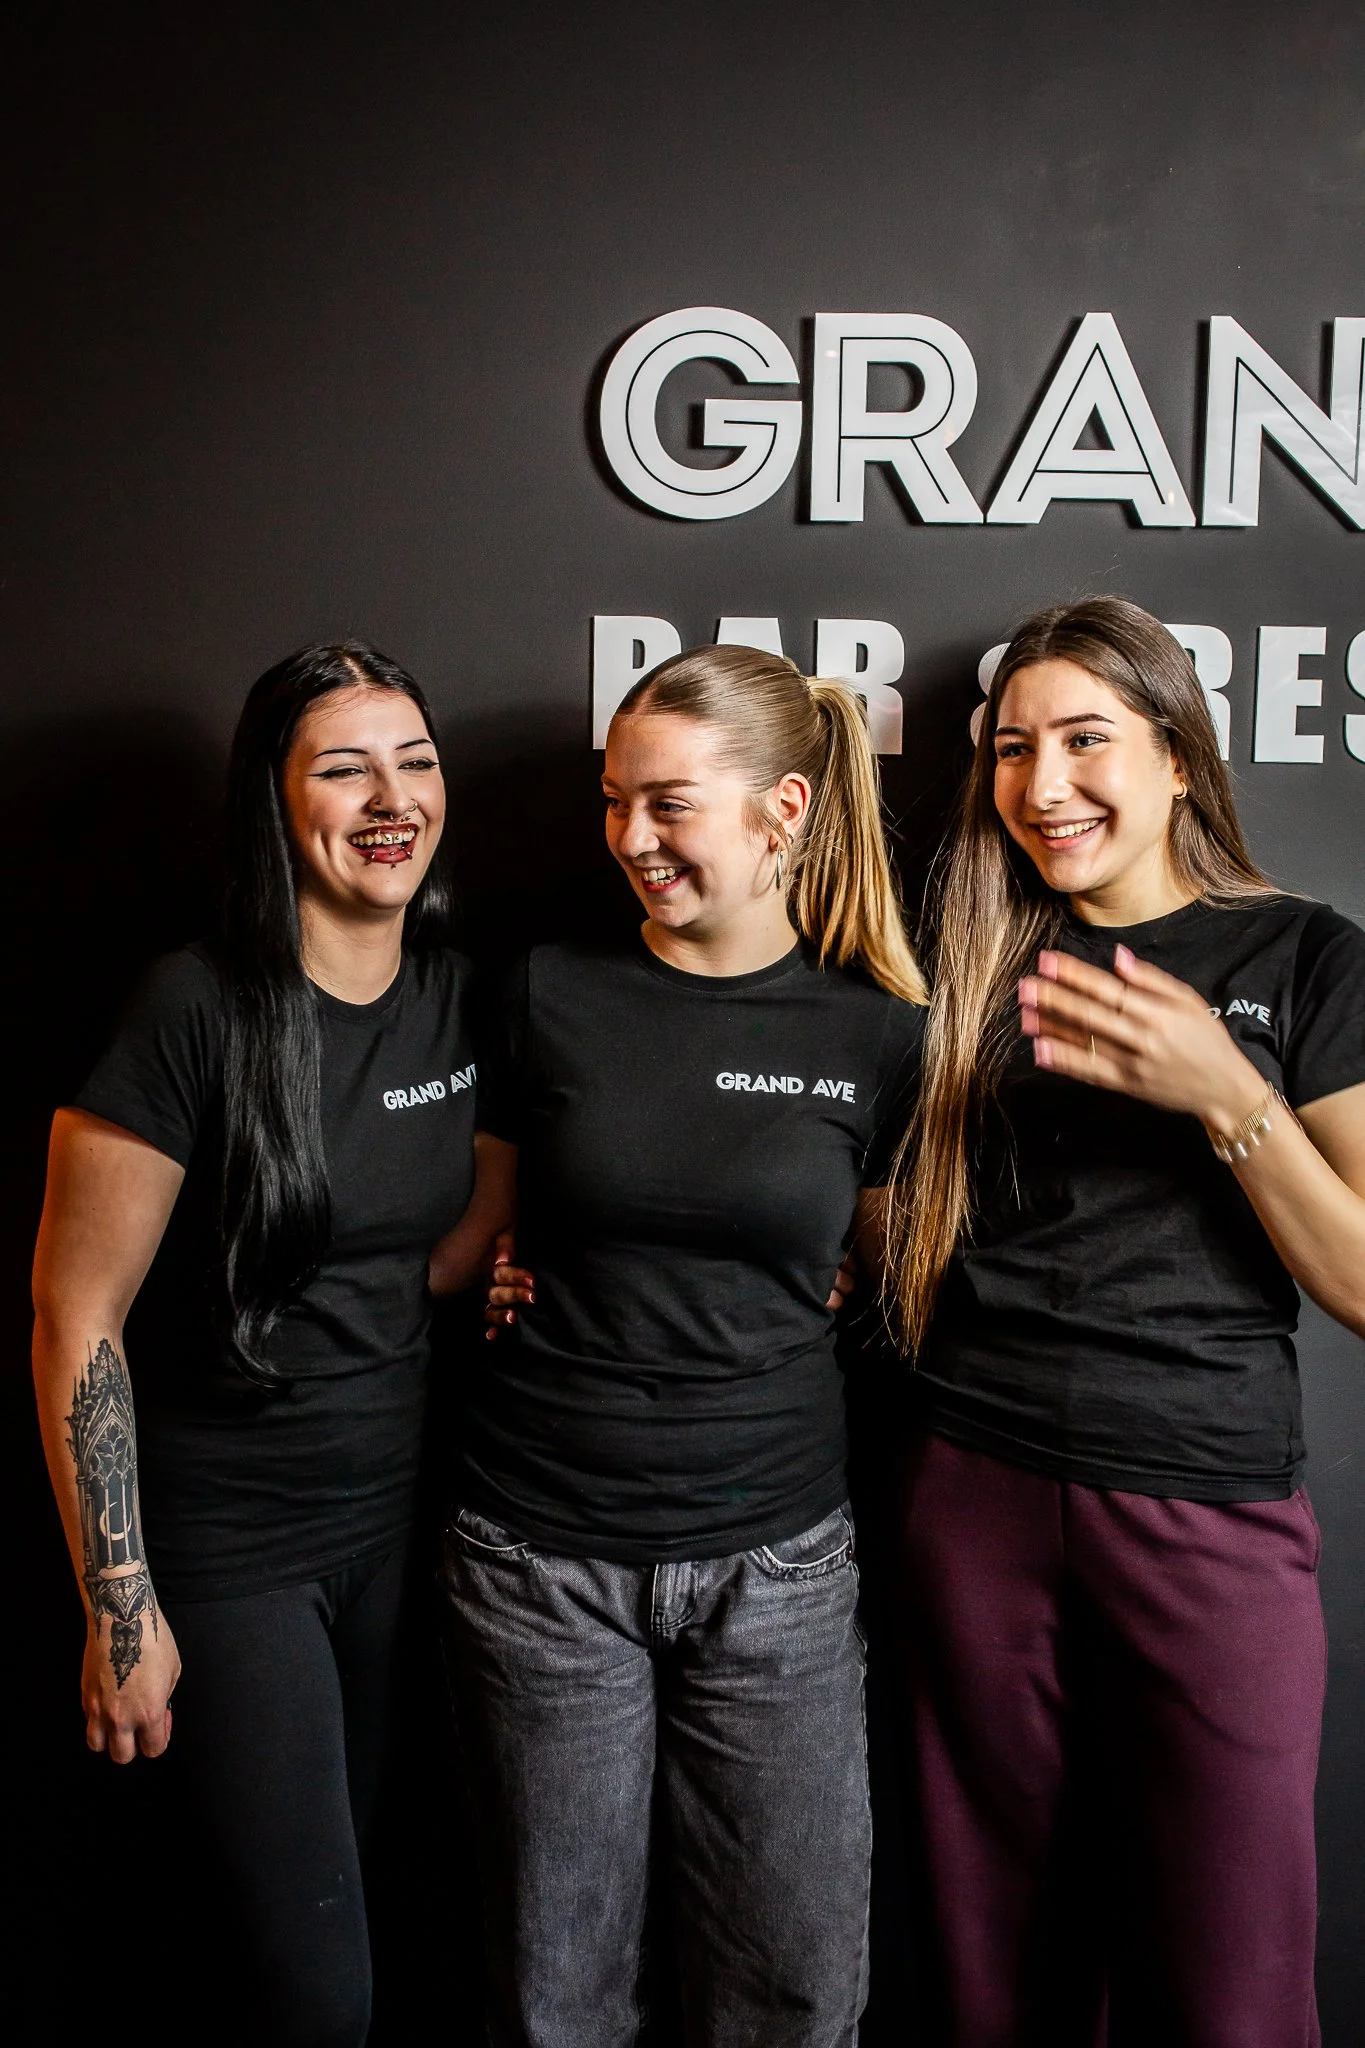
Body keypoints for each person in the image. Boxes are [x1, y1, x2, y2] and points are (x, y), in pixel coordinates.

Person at [885, 595, 1365, 2048]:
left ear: (1175, 754)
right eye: (1014, 749)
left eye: (1087, 740)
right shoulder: (956, 957)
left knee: (1232, 1974)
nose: (1044, 787)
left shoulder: (1302, 955)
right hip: (973, 1495)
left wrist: (1228, 1096)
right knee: (996, 1963)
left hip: (1207, 1509)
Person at [443, 644, 925, 2048]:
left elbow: (887, 1272)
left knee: (791, 1997)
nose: (630, 839)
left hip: (776, 1566)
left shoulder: (876, 1033)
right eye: (613, 803)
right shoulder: (541, 993)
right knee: (560, 2004)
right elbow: (473, 1234)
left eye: (667, 805)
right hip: (540, 1559)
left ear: (782, 810)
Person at [32, 642, 513, 2048]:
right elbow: (79, 1318)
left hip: (399, 1525)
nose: (392, 798)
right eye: (345, 766)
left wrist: (508, 1273)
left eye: (415, 762)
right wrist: (120, 1607)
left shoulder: (456, 992)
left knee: (359, 1918)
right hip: (235, 1547)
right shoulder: (194, 1008)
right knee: (315, 1994)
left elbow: (442, 1241)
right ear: (273, 799)